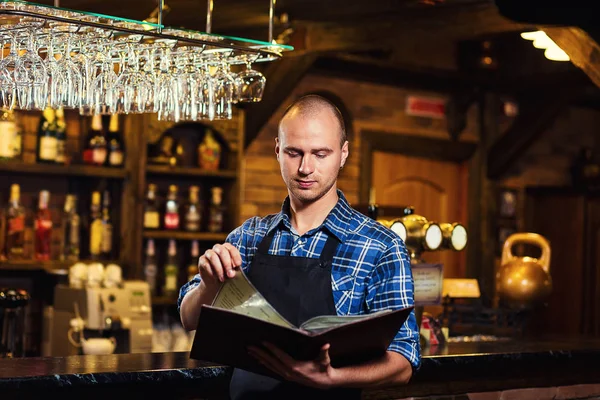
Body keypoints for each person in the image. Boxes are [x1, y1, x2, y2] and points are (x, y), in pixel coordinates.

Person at [178, 94, 420, 399]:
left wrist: (332, 378)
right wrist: (209, 286)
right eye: (294, 152)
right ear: (278, 151)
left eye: (321, 154)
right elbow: (188, 319)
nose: (306, 168)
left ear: (343, 154)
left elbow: (404, 361)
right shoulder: (249, 236)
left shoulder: (381, 247)